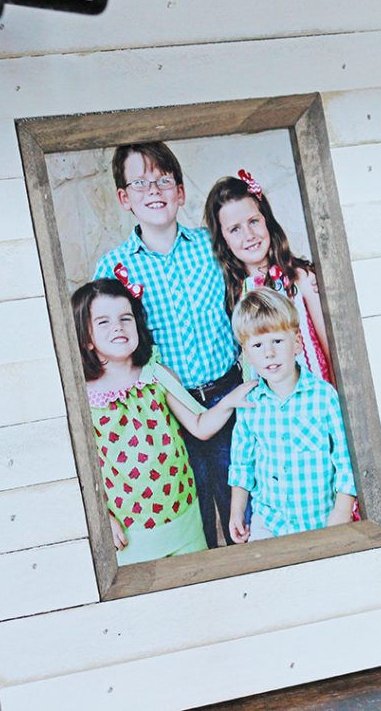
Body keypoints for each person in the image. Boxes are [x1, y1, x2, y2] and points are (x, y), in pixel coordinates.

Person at [93, 142, 240, 549]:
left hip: (227, 393)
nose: (153, 191)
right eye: (140, 183)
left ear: (180, 192)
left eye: (163, 180)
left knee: (241, 508)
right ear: (124, 198)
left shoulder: (213, 247)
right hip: (164, 412)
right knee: (196, 522)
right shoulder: (114, 268)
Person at [72, 278, 255, 565]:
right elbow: (81, 470)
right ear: (86, 338)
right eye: (103, 322)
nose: (118, 326)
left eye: (125, 317)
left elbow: (199, 424)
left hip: (185, 519)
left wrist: (229, 401)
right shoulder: (81, 397)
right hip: (133, 537)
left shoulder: (155, 373)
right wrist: (102, 518)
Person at [227, 288, 356, 542]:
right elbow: (242, 464)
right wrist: (237, 511)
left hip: (320, 521)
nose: (269, 353)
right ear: (247, 354)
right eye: (257, 345)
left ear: (296, 342)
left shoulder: (323, 397)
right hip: (269, 523)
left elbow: (344, 460)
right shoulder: (250, 405)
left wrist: (342, 511)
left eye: (277, 341)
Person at [204, 170, 333, 384]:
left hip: (316, 401)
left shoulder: (300, 279)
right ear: (223, 239)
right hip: (272, 413)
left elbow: (331, 351)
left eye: (253, 221)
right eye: (235, 229)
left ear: (267, 221)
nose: (249, 235)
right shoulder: (234, 294)